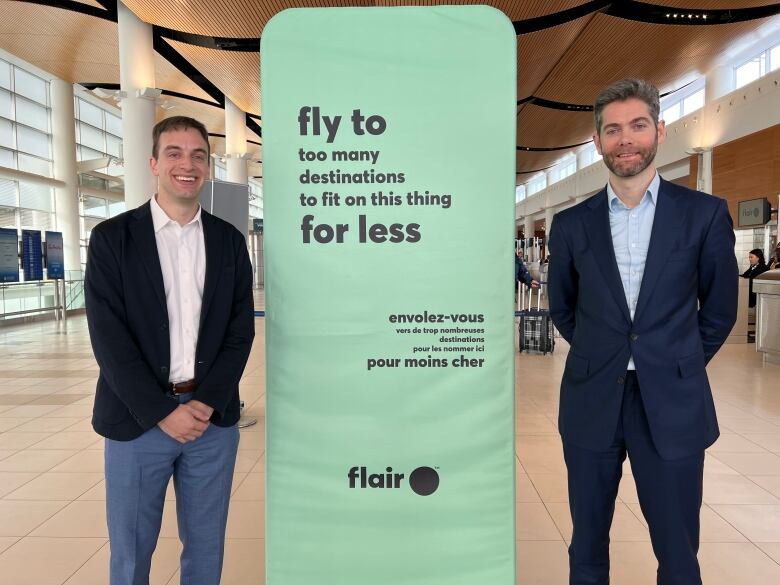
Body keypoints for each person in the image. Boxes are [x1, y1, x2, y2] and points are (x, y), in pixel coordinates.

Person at [548, 79, 737, 585]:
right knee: (586, 543)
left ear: (659, 129)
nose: (625, 139)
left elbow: (719, 310)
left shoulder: (703, 214)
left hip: (671, 402)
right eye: (612, 130)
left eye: (636, 126)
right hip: (592, 399)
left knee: (678, 550)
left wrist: (676, 361)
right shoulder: (570, 226)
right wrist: (599, 351)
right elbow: (563, 308)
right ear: (597, 142)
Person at [85, 116, 255, 585]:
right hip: (135, 420)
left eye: (199, 155)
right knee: (131, 549)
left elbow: (240, 333)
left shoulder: (228, 242)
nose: (188, 164)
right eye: (176, 153)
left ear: (207, 168)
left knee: (206, 546)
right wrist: (162, 411)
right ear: (155, 163)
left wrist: (201, 403)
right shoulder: (112, 239)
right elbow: (109, 339)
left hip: (210, 421)